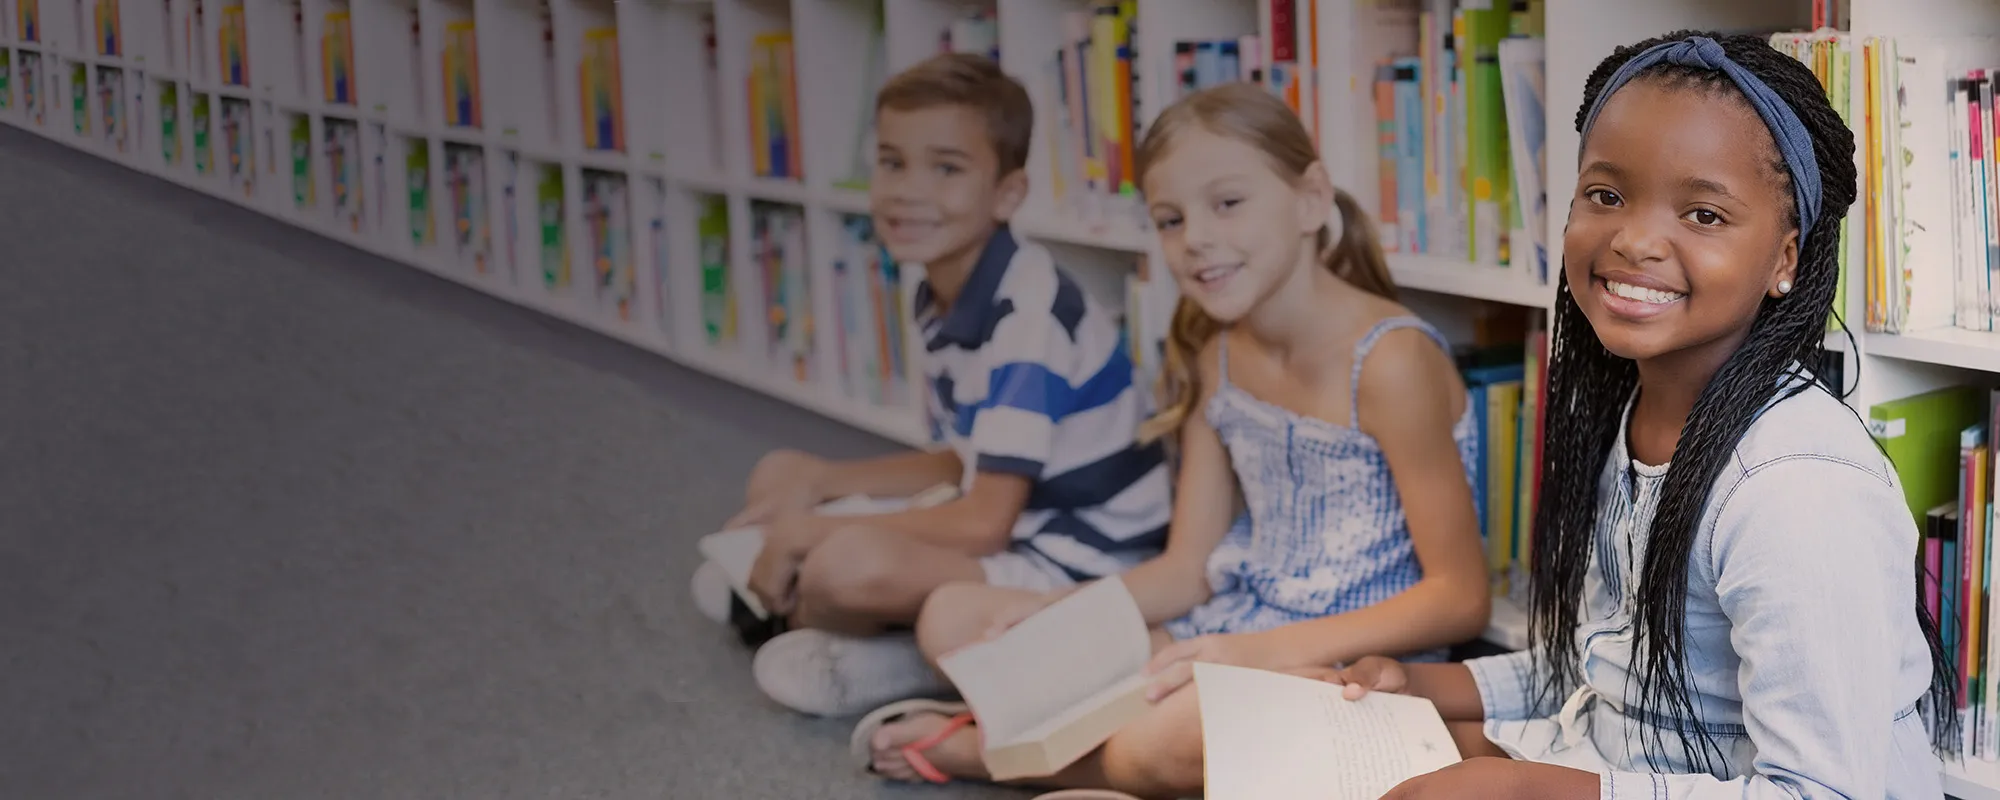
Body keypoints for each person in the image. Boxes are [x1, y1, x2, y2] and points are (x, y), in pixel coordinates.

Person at [1322, 31, 1957, 800]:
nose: (1633, 239)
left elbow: (1822, 794)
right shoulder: (1630, 412)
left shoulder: (1799, 491)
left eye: (1703, 214)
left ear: (1786, 259)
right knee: (1311, 746)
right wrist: (1424, 685)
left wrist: (1530, 791)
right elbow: (1608, 664)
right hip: (1613, 757)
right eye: (1607, 195)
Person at [853, 81, 1493, 797]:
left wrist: (1253, 654)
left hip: (1349, 659)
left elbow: (1459, 598)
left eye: (1227, 203)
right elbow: (1186, 568)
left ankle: (980, 749)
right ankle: (1043, 728)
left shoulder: (1391, 361)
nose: (1196, 240)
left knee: (1172, 732)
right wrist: (1056, 617)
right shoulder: (1215, 356)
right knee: (958, 617)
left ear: (1311, 199)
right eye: (1169, 219)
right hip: (1228, 620)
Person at [695, 53, 1173, 719]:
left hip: (1075, 559)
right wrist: (819, 486)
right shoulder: (939, 289)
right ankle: (816, 615)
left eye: (946, 168)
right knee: (784, 470)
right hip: (1009, 517)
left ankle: (907, 663)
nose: (907, 191)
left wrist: (810, 534)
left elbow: (984, 520)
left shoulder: (1027, 314)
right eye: (893, 163)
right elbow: (969, 455)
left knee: (843, 566)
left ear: (1007, 193)